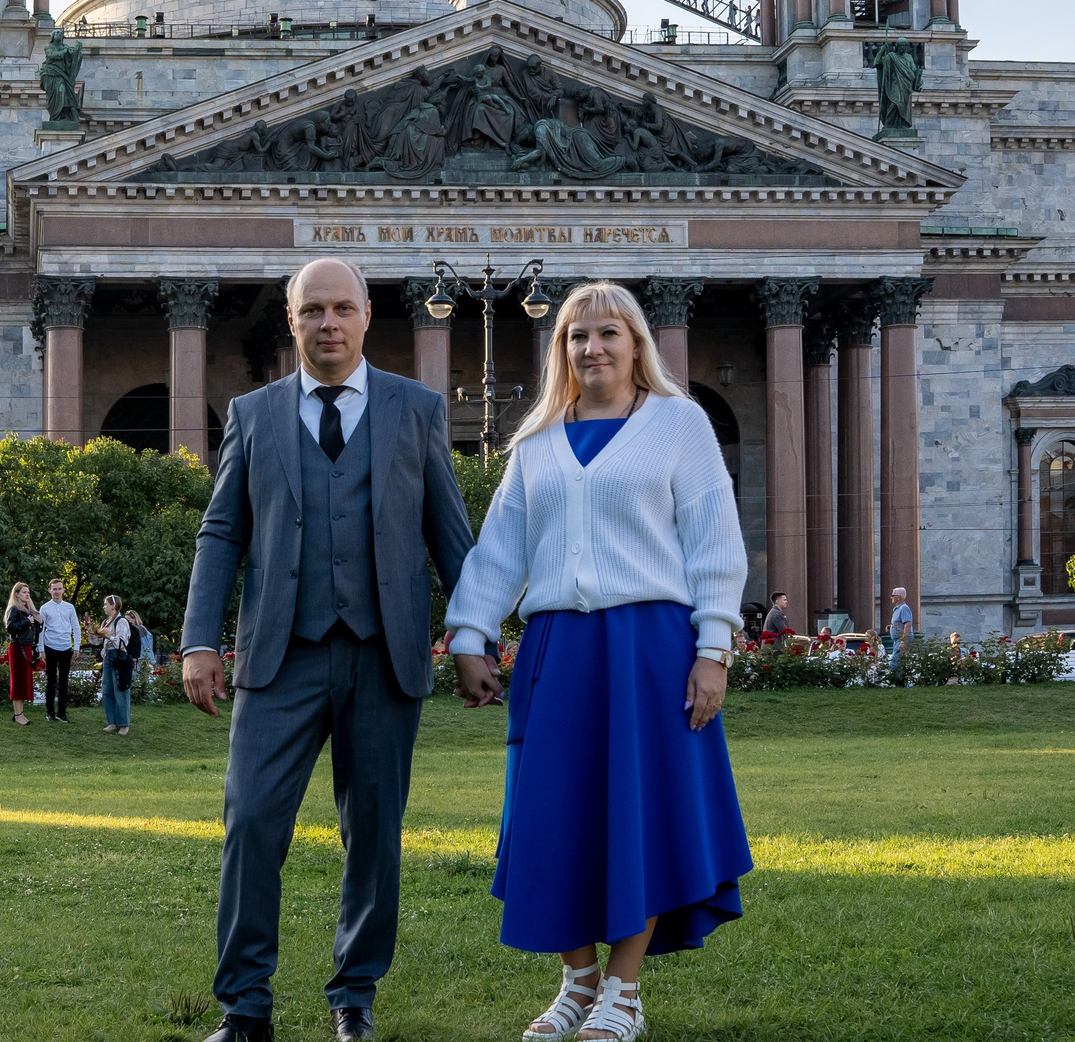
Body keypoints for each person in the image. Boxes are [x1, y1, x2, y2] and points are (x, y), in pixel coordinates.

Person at [444, 281, 752, 1042]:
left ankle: (624, 989)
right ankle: (577, 980)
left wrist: (714, 647)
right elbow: (498, 552)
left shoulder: (679, 425)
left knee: (636, 813)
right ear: (562, 350)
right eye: (578, 337)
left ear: (637, 342)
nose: (593, 348)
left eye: (609, 333)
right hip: (559, 647)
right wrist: (469, 634)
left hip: (650, 648)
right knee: (551, 813)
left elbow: (714, 538)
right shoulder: (537, 443)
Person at [180, 257, 474, 1042]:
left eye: (343, 307)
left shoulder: (416, 410)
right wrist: (199, 638)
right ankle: (245, 1006)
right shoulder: (253, 413)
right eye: (313, 310)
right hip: (280, 655)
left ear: (368, 315)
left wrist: (474, 634)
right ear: (292, 320)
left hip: (386, 653)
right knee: (250, 820)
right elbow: (222, 532)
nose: (329, 323)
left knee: (374, 831)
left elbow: (451, 535)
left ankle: (355, 993)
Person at [38, 579, 82, 723]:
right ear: (49, 590)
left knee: (64, 680)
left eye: (59, 589)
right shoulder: (44, 608)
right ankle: (50, 712)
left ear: (63, 590)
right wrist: (41, 649)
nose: (57, 592)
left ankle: (62, 713)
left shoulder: (69, 608)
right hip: (50, 647)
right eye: (54, 589)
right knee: (51, 679)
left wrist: (76, 647)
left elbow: (76, 627)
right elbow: (41, 630)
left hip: (65, 647)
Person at [98, 595, 136, 735]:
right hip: (108, 655)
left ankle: (124, 723)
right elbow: (98, 641)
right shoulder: (106, 622)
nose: (104, 607)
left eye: (106, 604)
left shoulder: (121, 622)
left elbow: (122, 643)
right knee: (107, 689)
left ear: (113, 606)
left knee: (120, 688)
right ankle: (112, 722)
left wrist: (108, 636)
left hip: (118, 657)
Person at [4, 582, 40, 726]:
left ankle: (20, 713)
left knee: (24, 680)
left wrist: (38, 622)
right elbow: (10, 627)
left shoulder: (27, 609)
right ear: (17, 594)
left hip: (26, 646)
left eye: (28, 592)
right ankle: (17, 714)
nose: (27, 594)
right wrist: (27, 622)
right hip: (18, 647)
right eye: (24, 592)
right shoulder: (14, 609)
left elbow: (33, 630)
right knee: (18, 680)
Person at [887, 588, 916, 660]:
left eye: (893, 595)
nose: (891, 597)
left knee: (894, 662)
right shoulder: (897, 609)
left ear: (898, 597)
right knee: (898, 661)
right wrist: (891, 627)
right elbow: (900, 623)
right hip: (897, 640)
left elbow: (907, 624)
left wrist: (903, 640)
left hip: (901, 639)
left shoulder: (904, 608)